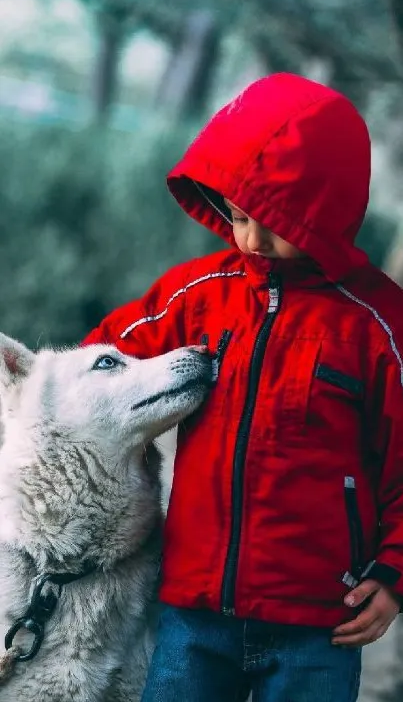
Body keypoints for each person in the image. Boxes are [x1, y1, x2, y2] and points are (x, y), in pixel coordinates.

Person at [83, 73, 403, 702]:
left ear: (327, 213)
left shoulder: (378, 326)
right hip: (192, 611)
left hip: (319, 624)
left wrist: (394, 574)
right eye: (236, 215)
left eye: (275, 223)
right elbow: (99, 366)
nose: (250, 240)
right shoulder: (194, 295)